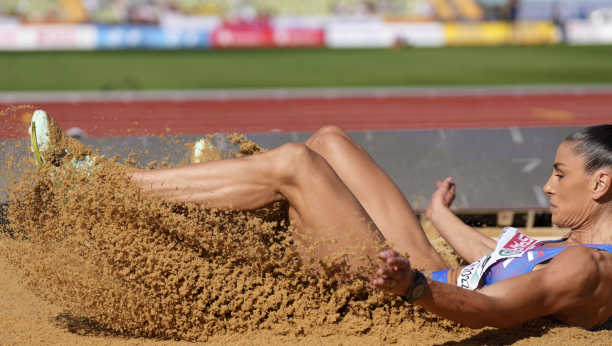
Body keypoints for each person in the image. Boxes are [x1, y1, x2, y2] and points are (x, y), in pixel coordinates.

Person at [29, 110, 612, 331]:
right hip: (438, 275)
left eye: (560, 174)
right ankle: (235, 200)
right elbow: (493, 258)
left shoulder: (585, 266)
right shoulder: (567, 243)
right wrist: (437, 214)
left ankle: (96, 182)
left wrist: (410, 286)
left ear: (602, 182)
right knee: (331, 140)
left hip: (426, 309)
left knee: (296, 164)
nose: (547, 184)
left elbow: (489, 308)